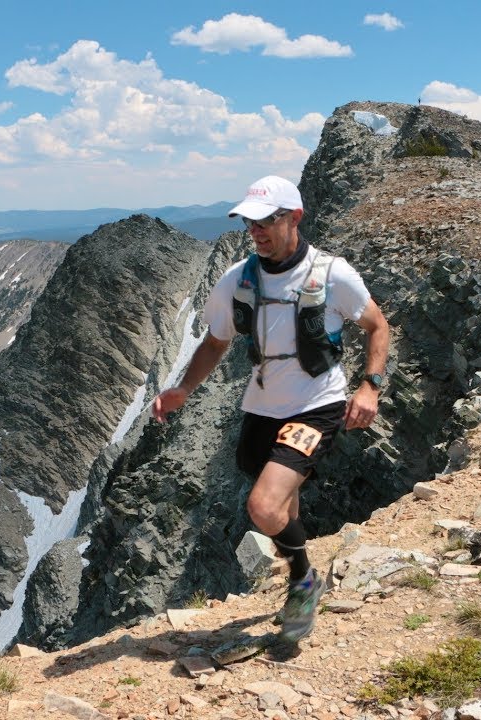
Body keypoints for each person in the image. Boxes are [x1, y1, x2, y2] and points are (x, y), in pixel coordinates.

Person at [151, 174, 390, 643]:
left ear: (294, 217)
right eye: (249, 223)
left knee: (262, 506)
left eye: (266, 221)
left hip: (317, 405)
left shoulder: (331, 274)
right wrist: (183, 389)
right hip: (262, 407)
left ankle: (303, 581)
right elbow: (217, 341)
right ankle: (299, 579)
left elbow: (377, 327)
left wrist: (369, 388)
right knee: (279, 497)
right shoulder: (238, 279)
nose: (255, 231)